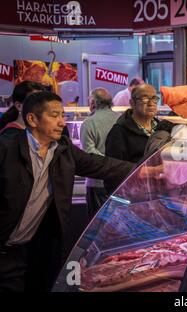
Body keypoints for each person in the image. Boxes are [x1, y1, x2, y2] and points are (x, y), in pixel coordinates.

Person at [0, 91, 135, 291]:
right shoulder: (6, 149)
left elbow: (101, 165)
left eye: (63, 115)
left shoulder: (63, 149)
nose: (62, 122)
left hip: (29, 249)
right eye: (54, 116)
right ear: (32, 119)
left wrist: (145, 169)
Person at [105, 83, 159, 193]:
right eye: (144, 98)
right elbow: (112, 172)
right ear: (132, 103)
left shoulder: (161, 128)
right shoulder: (119, 132)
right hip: (132, 196)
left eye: (154, 98)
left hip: (157, 195)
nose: (151, 103)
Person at [80, 88, 119, 219]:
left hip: (97, 183)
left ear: (92, 103)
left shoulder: (89, 122)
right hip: (119, 181)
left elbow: (89, 154)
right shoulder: (121, 119)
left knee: (97, 224)